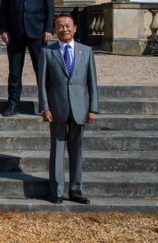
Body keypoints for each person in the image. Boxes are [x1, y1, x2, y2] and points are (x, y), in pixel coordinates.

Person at [38, 13, 98, 205]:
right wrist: (44, 107)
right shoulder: (47, 52)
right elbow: (42, 84)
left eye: (67, 26)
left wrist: (93, 108)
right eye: (60, 26)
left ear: (75, 28)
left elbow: (92, 82)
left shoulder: (86, 51)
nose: (64, 29)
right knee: (57, 150)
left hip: (80, 107)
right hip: (57, 108)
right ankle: (56, 191)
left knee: (76, 150)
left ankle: (76, 190)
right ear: (55, 30)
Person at [0, 0, 54, 116]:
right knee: (14, 72)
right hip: (15, 33)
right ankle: (13, 105)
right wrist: (3, 29)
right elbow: (3, 9)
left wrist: (48, 29)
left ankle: (45, 106)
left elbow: (50, 8)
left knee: (42, 71)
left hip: (38, 32)